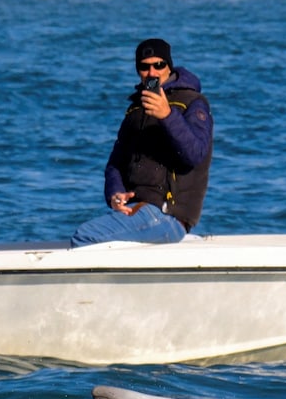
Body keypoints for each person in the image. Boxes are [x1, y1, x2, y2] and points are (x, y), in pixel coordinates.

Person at [70, 38, 213, 249]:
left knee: (85, 237)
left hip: (169, 215)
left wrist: (167, 115)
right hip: (139, 208)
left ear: (169, 66)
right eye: (144, 67)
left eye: (159, 65)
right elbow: (116, 163)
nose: (152, 73)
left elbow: (195, 154)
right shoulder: (136, 108)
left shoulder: (192, 102)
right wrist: (115, 194)